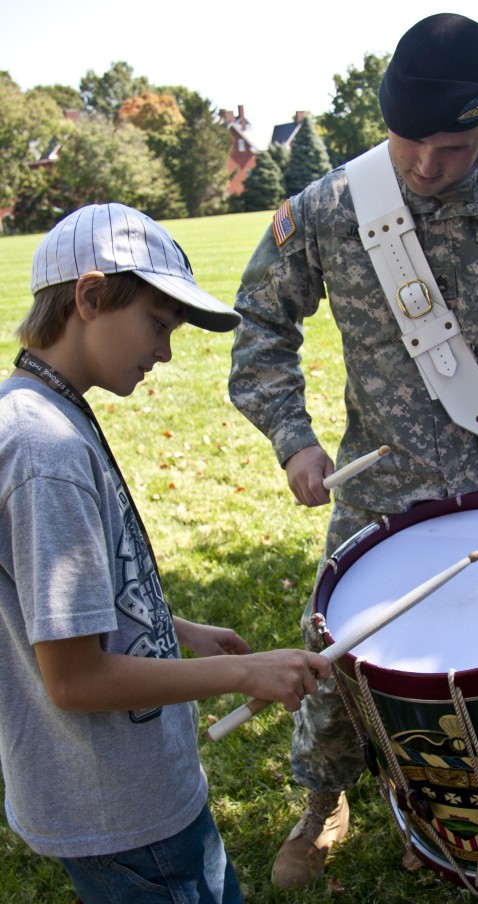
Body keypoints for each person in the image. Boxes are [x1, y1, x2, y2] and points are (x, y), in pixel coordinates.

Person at [228, 12, 478, 890]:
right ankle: (322, 799)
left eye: (451, 145)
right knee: (333, 663)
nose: (424, 165)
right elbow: (259, 325)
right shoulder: (333, 206)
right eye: (409, 141)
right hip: (384, 487)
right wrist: (295, 441)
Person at [0, 202, 332, 904]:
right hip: (122, 814)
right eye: (157, 324)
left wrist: (172, 628)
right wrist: (244, 673)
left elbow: (62, 599)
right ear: (90, 297)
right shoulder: (44, 452)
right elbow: (76, 681)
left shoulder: (43, 410)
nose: (166, 351)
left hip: (128, 800)